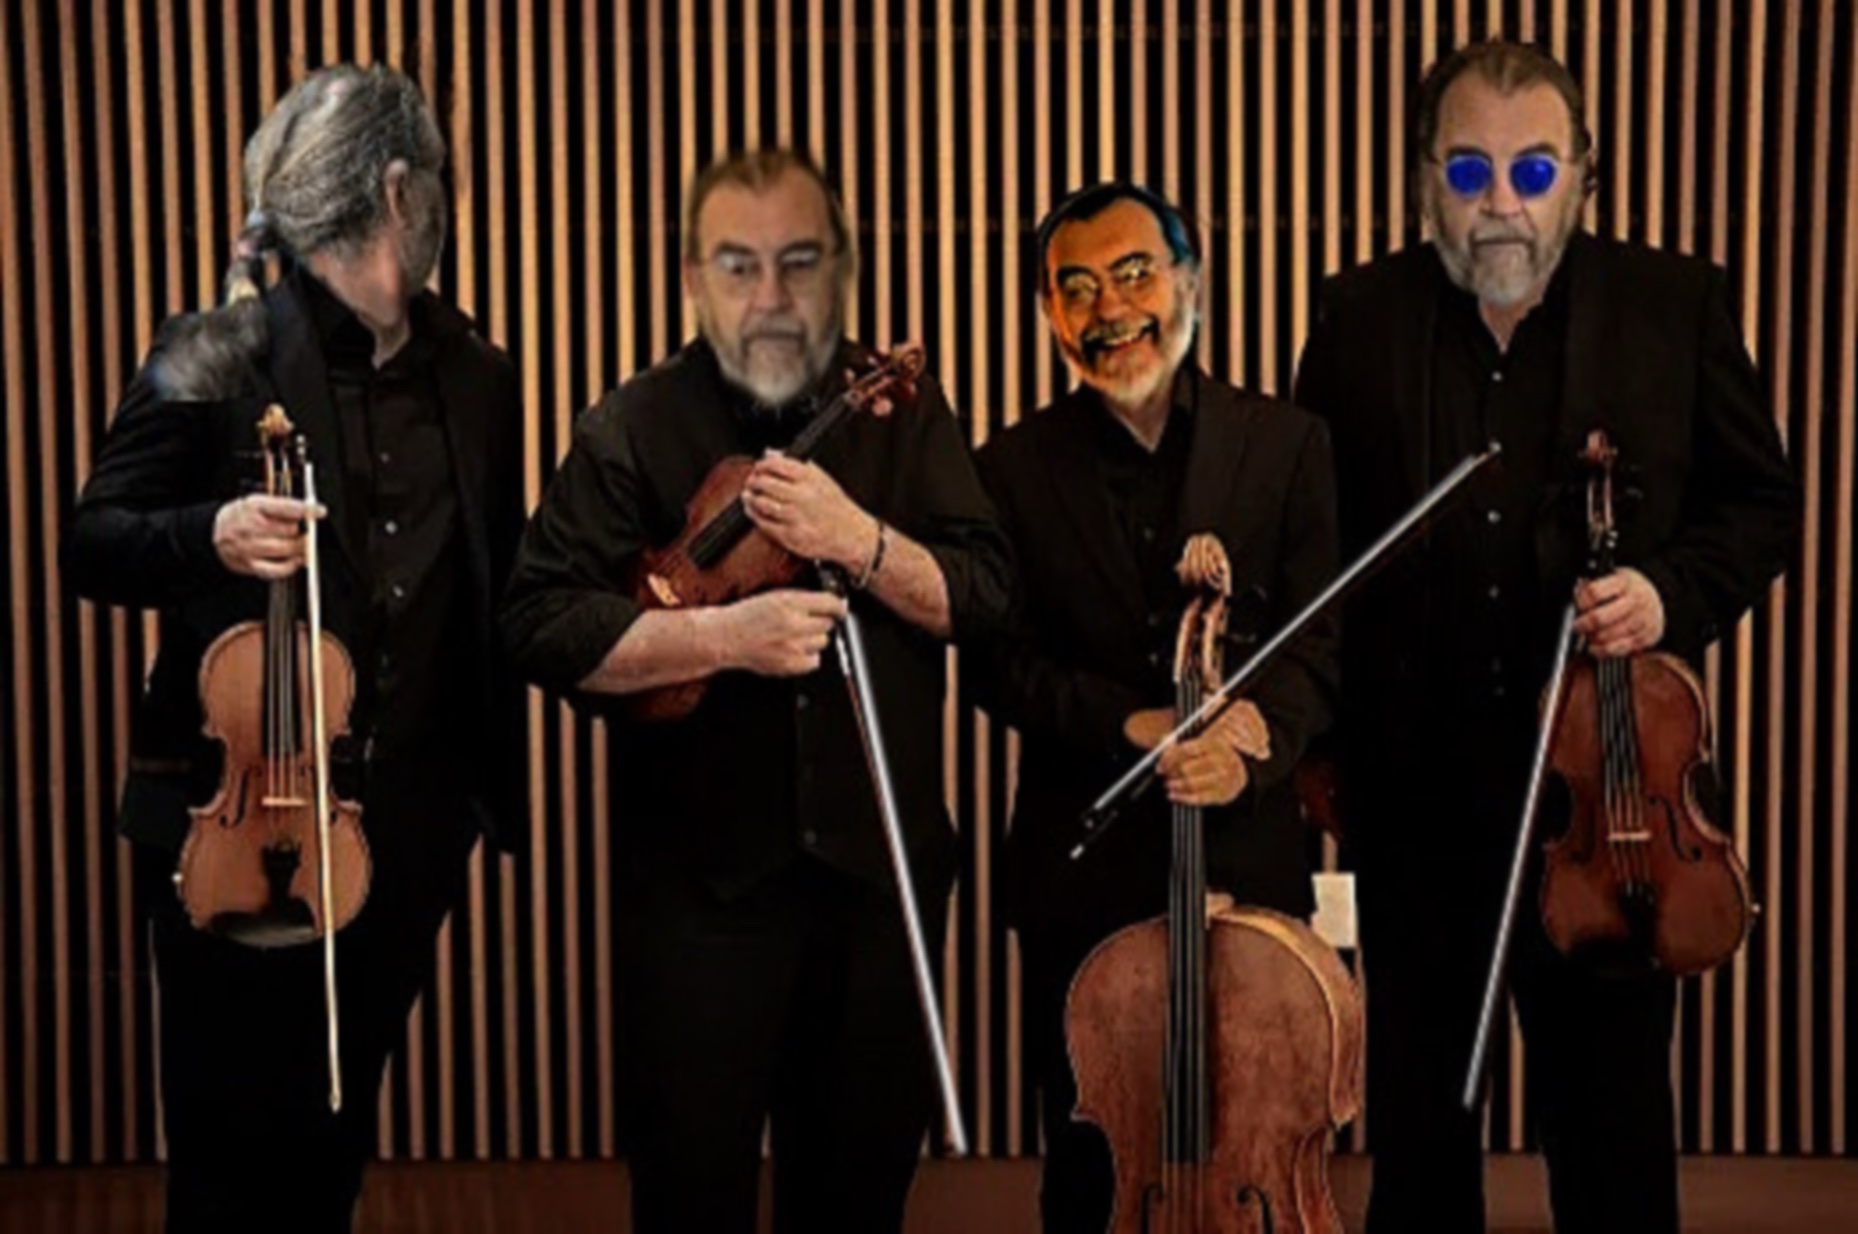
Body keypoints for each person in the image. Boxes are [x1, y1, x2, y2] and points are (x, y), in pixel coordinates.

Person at [1293, 40, 1800, 1234]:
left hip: (1608, 805)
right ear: (1424, 178)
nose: (1501, 203)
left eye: (1532, 169)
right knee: (1418, 1140)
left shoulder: (1674, 305)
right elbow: (1310, 541)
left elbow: (1761, 506)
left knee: (1613, 1135)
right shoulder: (1357, 316)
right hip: (1416, 800)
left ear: (1584, 173)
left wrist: (1668, 592)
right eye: (1468, 169)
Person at [498, 148, 1012, 1234]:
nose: (770, 294)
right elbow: (538, 622)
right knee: (691, 1202)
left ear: (840, 272)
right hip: (696, 903)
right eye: (738, 265)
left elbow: (987, 598)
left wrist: (858, 539)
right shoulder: (631, 424)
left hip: (879, 893)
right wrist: (721, 637)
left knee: (856, 1205)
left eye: (799, 262)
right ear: (694, 278)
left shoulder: (904, 414)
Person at [64, 65, 527, 1234]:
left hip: (402, 834)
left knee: (333, 1135)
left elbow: (499, 579)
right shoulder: (213, 349)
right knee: (227, 1150)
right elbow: (92, 541)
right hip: (233, 822)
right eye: (437, 180)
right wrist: (210, 533)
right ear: (396, 188)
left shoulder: (479, 374)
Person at [964, 182, 1340, 1232]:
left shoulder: (1287, 444)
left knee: (1262, 1136)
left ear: (1191, 283)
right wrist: (1128, 725)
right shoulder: (1007, 469)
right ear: (1048, 314)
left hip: (1246, 866)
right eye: (1075, 287)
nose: (1109, 308)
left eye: (1134, 274)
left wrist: (1254, 739)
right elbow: (996, 662)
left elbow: (1320, 640)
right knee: (1092, 1163)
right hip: (1081, 872)